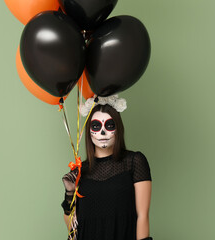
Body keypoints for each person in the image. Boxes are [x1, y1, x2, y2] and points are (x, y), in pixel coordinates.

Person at [61, 95, 153, 240]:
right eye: (96, 126)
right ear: (89, 130)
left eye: (109, 125)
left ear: (118, 128)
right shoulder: (79, 171)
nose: (102, 132)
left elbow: (142, 215)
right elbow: (73, 230)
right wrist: (70, 193)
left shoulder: (134, 161)